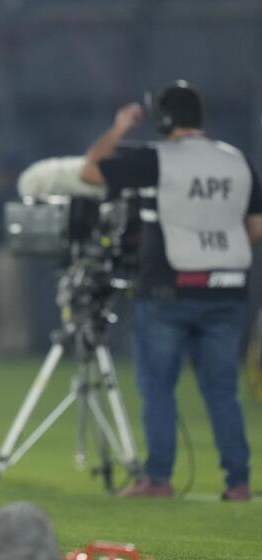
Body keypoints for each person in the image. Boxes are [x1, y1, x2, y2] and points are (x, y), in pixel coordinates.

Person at [80, 81, 262, 500]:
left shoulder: (157, 159)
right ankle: (239, 482)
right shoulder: (238, 161)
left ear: (164, 120)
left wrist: (120, 127)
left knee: (158, 386)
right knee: (223, 391)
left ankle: (158, 478)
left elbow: (91, 169)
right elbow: (255, 227)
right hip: (228, 288)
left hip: (169, 290)